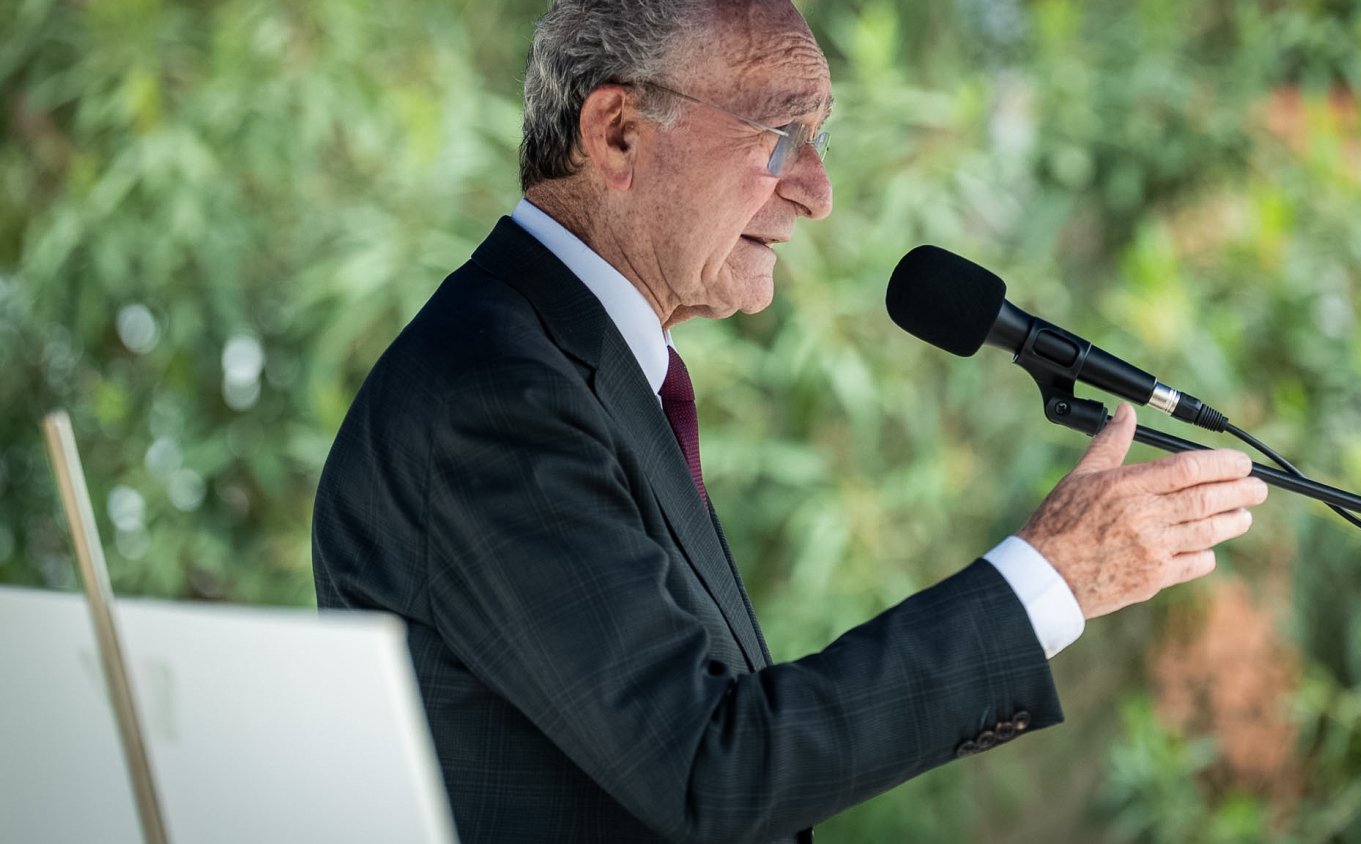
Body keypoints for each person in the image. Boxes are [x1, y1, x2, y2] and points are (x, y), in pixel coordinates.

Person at [310, 1, 1269, 841]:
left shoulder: (567, 365)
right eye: (780, 137)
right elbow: (706, 768)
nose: (817, 192)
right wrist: (1046, 581)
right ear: (617, 135)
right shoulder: (496, 394)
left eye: (820, 139)